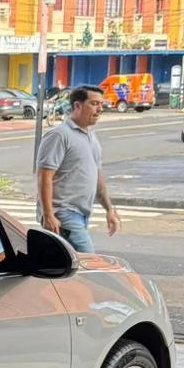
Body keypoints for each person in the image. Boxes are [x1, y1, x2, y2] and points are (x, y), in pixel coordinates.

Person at [36, 85, 121, 253]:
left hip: (82, 213)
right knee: (87, 259)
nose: (99, 109)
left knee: (68, 264)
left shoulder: (91, 137)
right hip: (63, 213)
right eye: (94, 104)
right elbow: (44, 177)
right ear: (77, 105)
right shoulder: (59, 135)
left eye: (101, 104)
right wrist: (48, 214)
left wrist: (109, 209)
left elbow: (97, 176)